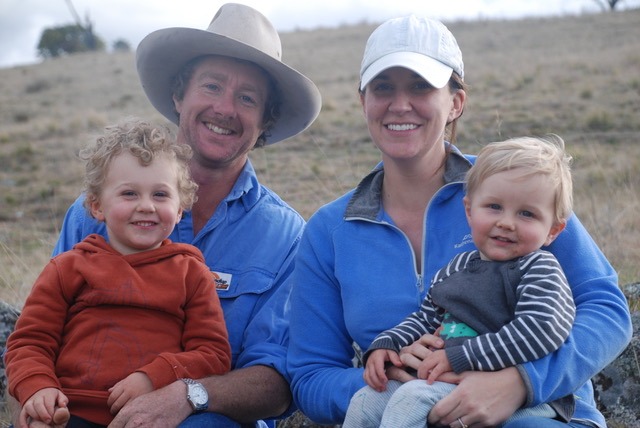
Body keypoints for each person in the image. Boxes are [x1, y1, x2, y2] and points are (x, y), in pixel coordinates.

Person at [287, 14, 631, 428]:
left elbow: (607, 311)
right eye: (383, 87)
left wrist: (520, 382)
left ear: (455, 102)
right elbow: (310, 376)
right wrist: (382, 376)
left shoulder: (517, 193)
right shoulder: (329, 230)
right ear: (363, 101)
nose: (400, 104)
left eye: (420, 86)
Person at [8, 3, 321, 428]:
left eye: (247, 98)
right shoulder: (91, 214)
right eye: (211, 86)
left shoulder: (287, 237)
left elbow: (279, 381)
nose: (226, 108)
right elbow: (40, 333)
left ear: (264, 120)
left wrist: (187, 395)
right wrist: (31, 401)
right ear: (179, 95)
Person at [5, 118, 231, 428]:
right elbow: (30, 342)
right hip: (71, 412)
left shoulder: (191, 273)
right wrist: (38, 387)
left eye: (161, 195)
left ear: (180, 210)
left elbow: (212, 353)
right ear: (97, 206)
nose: (146, 206)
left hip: (154, 416)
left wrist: (153, 377)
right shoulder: (69, 267)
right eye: (129, 194)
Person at [343, 136, 576, 428]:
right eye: (493, 207)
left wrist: (462, 356)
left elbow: (541, 329)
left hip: (523, 398)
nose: (506, 222)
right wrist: (388, 344)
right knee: (365, 402)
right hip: (447, 380)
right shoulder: (457, 268)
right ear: (469, 210)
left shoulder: (539, 268)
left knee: (411, 400)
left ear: (553, 230)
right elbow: (427, 318)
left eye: (526, 213)